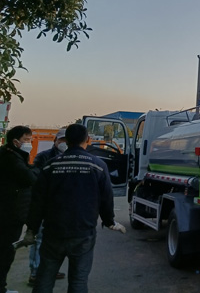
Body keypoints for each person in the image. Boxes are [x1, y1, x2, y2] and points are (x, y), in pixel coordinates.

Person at [24, 124, 126, 293]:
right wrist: (109, 221)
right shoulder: (98, 165)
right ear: (88, 140)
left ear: (66, 140)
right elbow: (106, 197)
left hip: (53, 232)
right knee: (78, 280)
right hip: (83, 233)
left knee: (44, 279)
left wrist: (31, 229)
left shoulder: (50, 166)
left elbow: (38, 201)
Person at [0, 125, 38, 293]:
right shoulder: (11, 157)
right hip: (9, 213)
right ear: (15, 141)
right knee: (5, 252)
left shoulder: (12, 154)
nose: (29, 143)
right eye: (26, 140)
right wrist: (37, 170)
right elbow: (29, 178)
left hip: (9, 212)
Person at [28, 129, 68, 287]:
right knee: (39, 240)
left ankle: (50, 269)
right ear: (56, 141)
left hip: (62, 207)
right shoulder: (44, 156)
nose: (64, 143)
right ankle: (35, 272)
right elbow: (36, 180)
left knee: (55, 241)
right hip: (45, 204)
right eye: (61, 140)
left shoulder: (70, 156)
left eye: (67, 140)